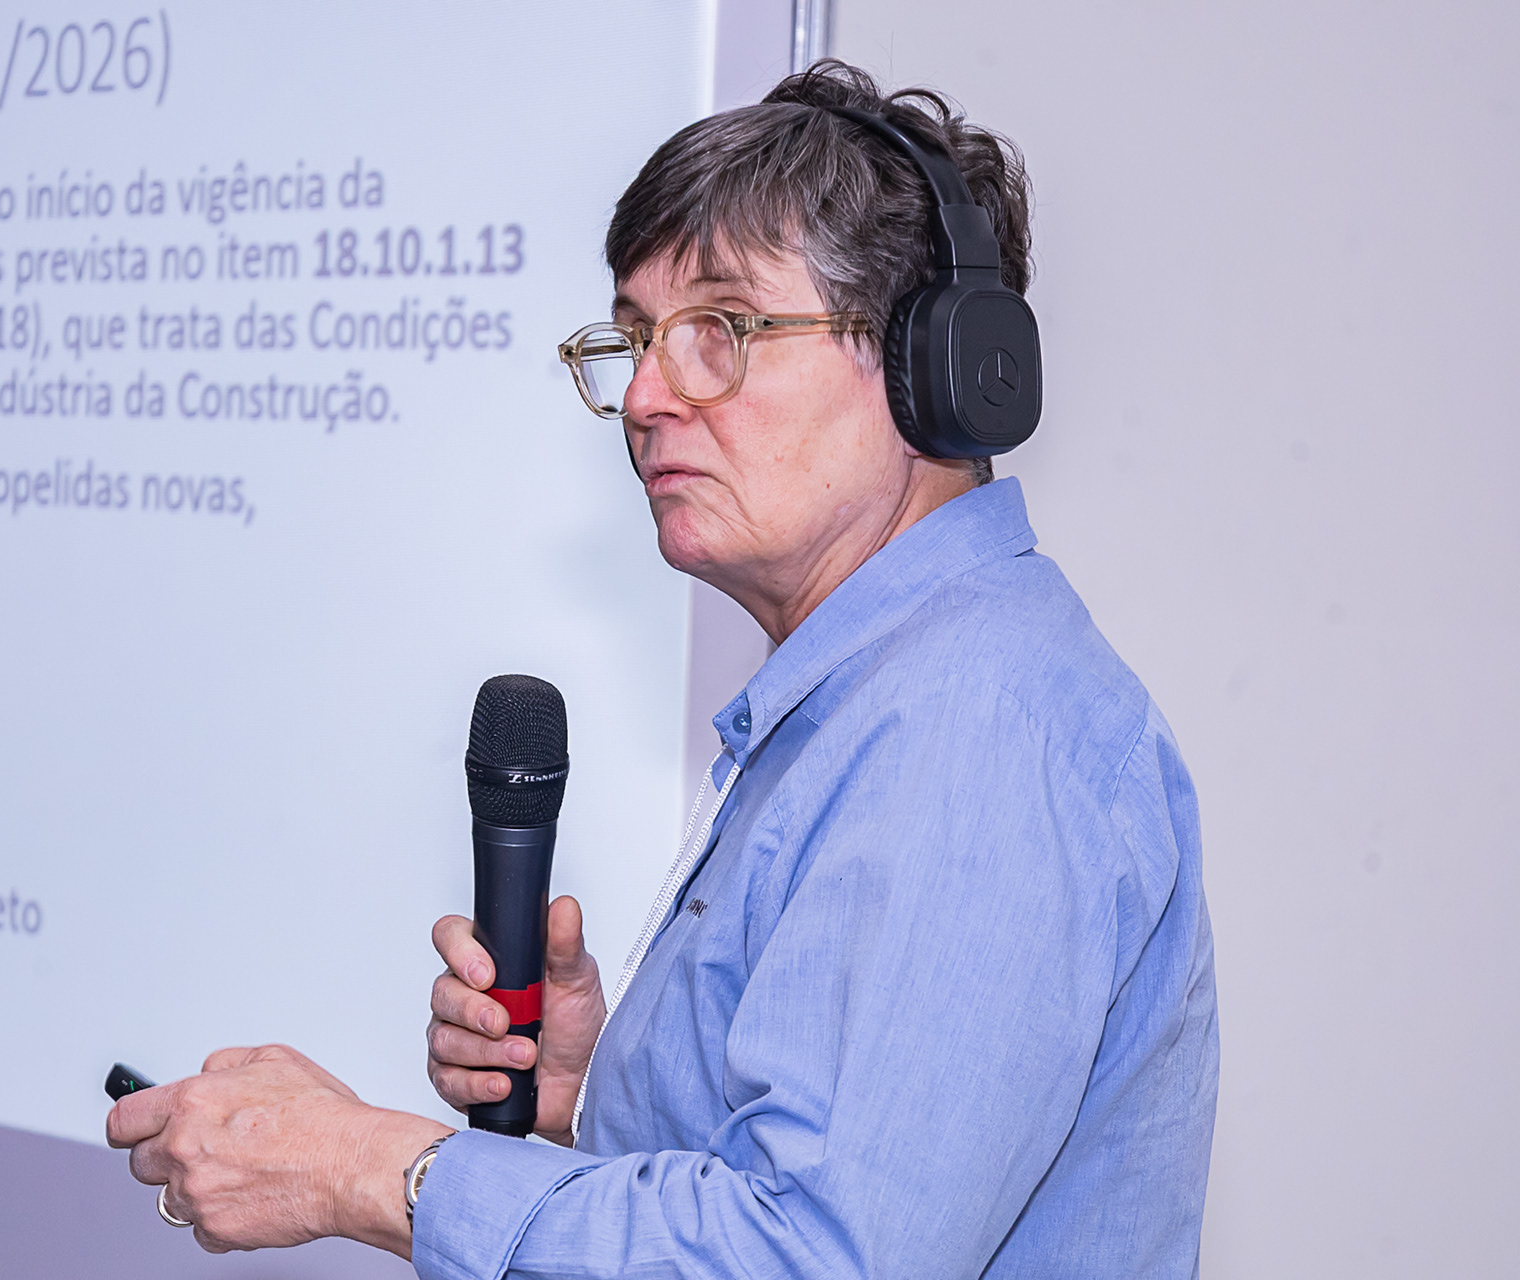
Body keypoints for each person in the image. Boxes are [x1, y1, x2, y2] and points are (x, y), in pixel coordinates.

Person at [108, 61, 1218, 1278]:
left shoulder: (977, 727)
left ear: (928, 363)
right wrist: (601, 1095)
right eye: (636, 339)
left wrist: (371, 1166)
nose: (643, 396)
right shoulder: (876, 701)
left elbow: (809, 1257)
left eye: (720, 331)